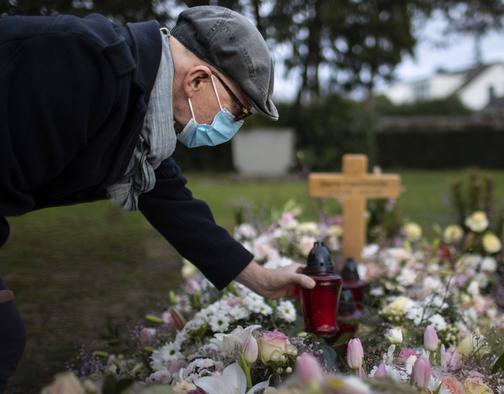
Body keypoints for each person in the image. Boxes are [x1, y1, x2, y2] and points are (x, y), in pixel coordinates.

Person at [0, 6, 315, 391]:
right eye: (239, 112)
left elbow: (169, 199)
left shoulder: (139, 108)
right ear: (198, 80)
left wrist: (260, 278)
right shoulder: (85, 64)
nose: (233, 126)